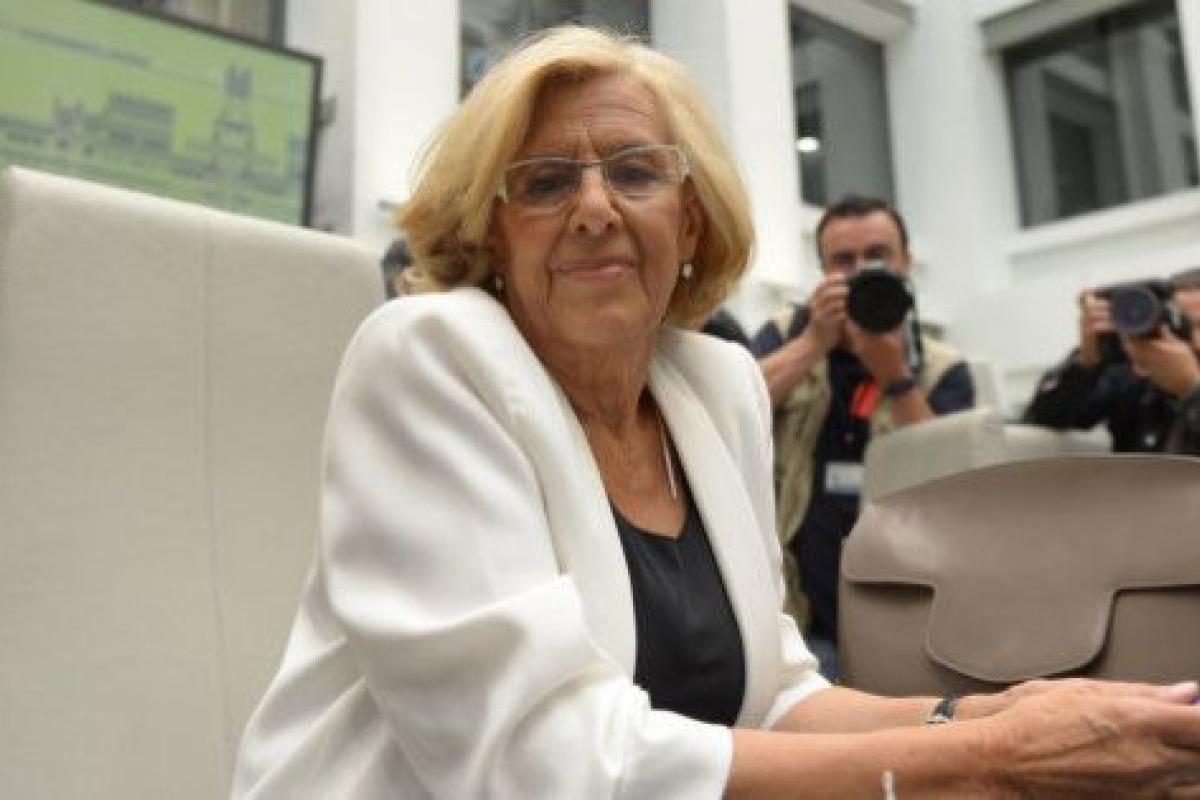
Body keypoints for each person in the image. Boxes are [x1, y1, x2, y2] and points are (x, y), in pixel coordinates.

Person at [233, 26, 1200, 798]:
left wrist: (989, 715)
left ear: (690, 220)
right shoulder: (429, 354)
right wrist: (992, 762)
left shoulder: (720, 384)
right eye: (545, 182)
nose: (595, 208)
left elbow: (773, 698)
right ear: (492, 230)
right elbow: (540, 763)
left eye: (635, 171)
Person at [749, 195, 974, 680]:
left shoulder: (943, 366)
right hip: (796, 606)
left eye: (877, 256)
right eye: (843, 261)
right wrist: (814, 343)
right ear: (823, 271)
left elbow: (952, 482)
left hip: (907, 603)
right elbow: (733, 409)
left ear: (906, 262)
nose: (860, 272)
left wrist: (896, 378)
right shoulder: (786, 334)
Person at [1024, 267, 1200, 456]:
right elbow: (1043, 422)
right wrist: (1086, 362)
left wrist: (1191, 389)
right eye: (1186, 325)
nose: (1197, 340)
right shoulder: (1132, 374)